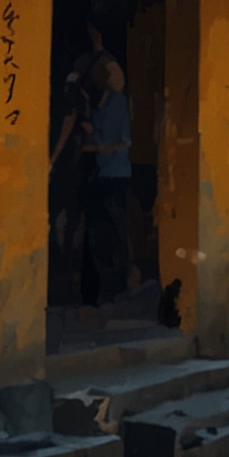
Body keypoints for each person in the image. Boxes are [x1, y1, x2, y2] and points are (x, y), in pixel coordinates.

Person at [78, 53, 133, 306]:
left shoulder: (119, 103)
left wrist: (96, 147)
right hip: (102, 175)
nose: (117, 77)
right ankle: (105, 288)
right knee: (101, 234)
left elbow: (123, 142)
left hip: (115, 174)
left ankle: (116, 287)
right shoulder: (101, 105)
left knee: (113, 232)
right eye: (112, 73)